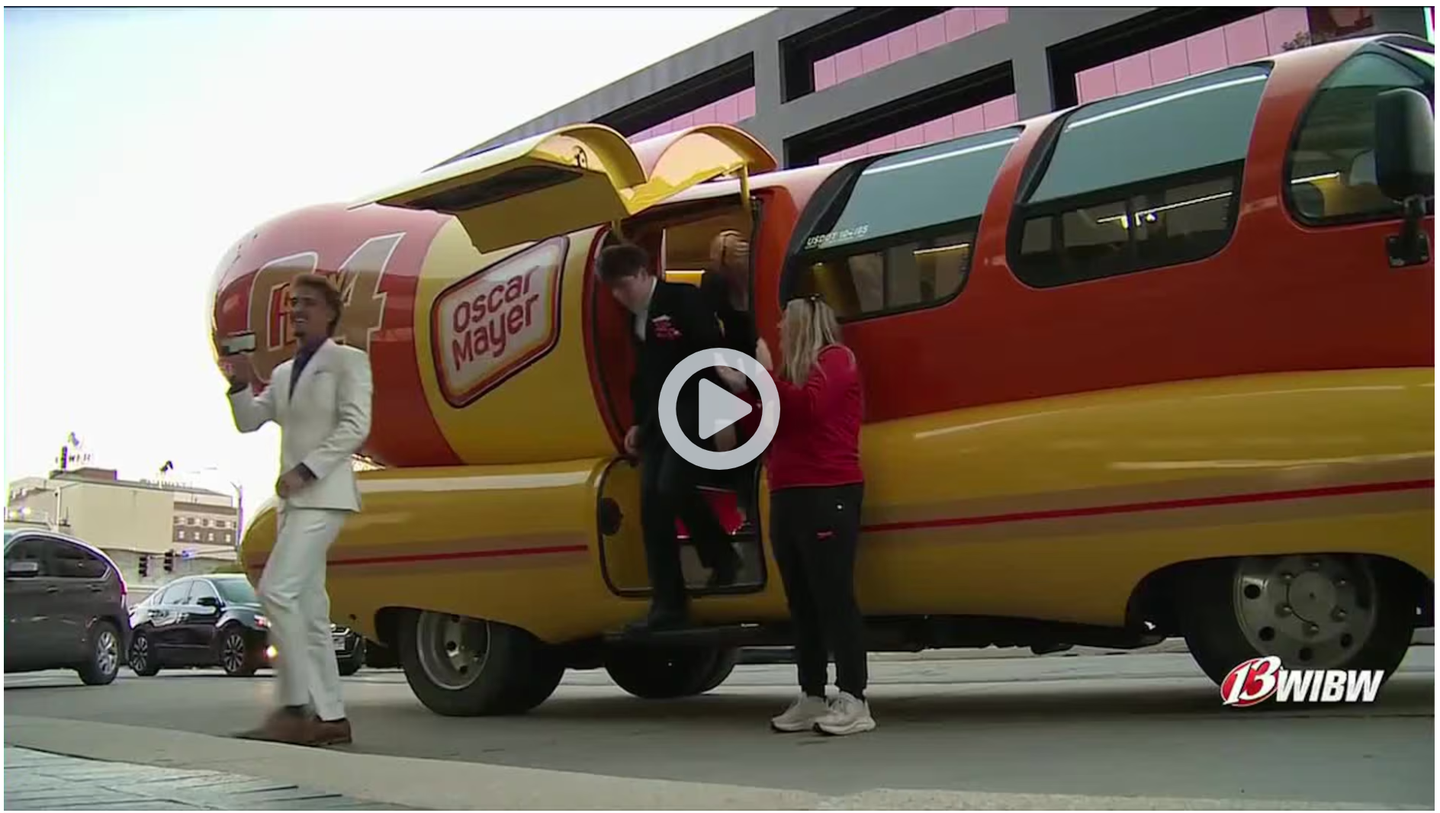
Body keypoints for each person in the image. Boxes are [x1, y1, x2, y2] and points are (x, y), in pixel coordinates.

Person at [222, 273, 373, 747]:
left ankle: (293, 706)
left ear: (330, 312)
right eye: (292, 305)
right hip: (294, 504)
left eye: (307, 303)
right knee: (307, 610)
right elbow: (250, 422)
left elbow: (355, 425)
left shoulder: (349, 362)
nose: (297, 311)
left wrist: (307, 470)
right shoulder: (286, 372)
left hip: (325, 495)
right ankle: (331, 717)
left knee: (277, 590)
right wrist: (240, 386)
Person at [717, 294, 871, 736]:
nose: (780, 329)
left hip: (828, 490)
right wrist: (743, 395)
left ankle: (855, 697)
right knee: (801, 601)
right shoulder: (786, 377)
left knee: (833, 596)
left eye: (785, 321)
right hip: (786, 492)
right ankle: (811, 693)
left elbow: (809, 408)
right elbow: (767, 423)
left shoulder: (837, 360)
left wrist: (760, 378)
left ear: (804, 323)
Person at [597, 242, 742, 632]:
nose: (619, 296)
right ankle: (668, 602)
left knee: (671, 485)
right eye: (613, 289)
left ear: (645, 274)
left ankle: (722, 556)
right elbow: (647, 378)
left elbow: (709, 349)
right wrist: (639, 424)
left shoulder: (682, 298)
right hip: (660, 417)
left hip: (696, 403)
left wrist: (723, 403)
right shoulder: (635, 321)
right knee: (651, 506)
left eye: (624, 285)